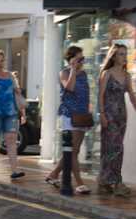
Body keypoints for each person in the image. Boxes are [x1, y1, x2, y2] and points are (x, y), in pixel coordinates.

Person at [45, 46, 91, 194]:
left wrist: (88, 112)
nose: (81, 61)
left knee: (73, 151)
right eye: (79, 58)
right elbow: (69, 88)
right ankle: (79, 182)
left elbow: (85, 95)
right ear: (71, 59)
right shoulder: (64, 73)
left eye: (82, 58)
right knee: (72, 151)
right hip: (69, 115)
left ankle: (53, 175)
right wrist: (72, 69)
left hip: (82, 116)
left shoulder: (83, 74)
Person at [98, 43, 136, 196]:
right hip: (109, 116)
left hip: (121, 117)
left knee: (116, 148)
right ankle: (116, 183)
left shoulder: (127, 76)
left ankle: (105, 181)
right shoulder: (107, 73)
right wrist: (102, 115)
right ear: (113, 56)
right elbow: (100, 95)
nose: (124, 57)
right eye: (121, 54)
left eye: (125, 54)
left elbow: (132, 97)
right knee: (113, 148)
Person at [0, 50, 26, 180]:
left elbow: (17, 94)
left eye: (2, 61)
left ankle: (14, 170)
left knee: (11, 141)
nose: (0, 64)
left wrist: (23, 112)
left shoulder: (10, 76)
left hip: (10, 112)